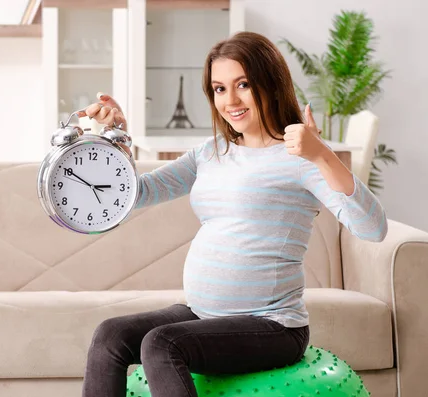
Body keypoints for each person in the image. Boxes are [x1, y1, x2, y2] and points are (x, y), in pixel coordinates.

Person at [79, 31, 387, 397]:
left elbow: (373, 228)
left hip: (273, 326)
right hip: (204, 316)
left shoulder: (300, 158)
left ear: (269, 83)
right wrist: (118, 139)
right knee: (110, 336)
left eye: (243, 84)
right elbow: (136, 194)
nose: (231, 100)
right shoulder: (210, 152)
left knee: (161, 345)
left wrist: (321, 154)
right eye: (219, 89)